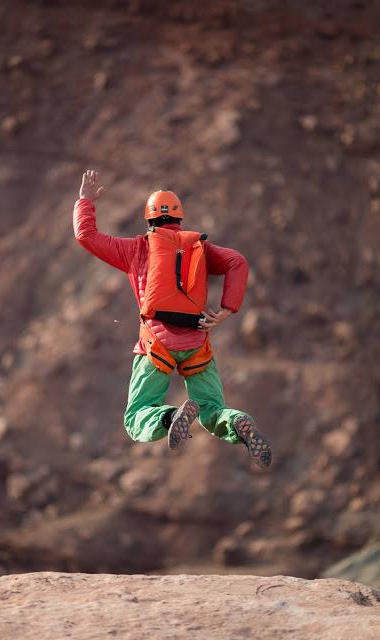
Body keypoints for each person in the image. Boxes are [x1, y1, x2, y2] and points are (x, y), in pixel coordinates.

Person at [73, 169, 272, 468]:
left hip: (156, 344)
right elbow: (237, 262)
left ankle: (169, 417)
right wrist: (226, 311)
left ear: (149, 219)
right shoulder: (200, 248)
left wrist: (85, 201)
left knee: (136, 416)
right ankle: (236, 421)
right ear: (179, 218)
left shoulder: (137, 248)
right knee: (212, 409)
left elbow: (85, 236)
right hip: (196, 341)